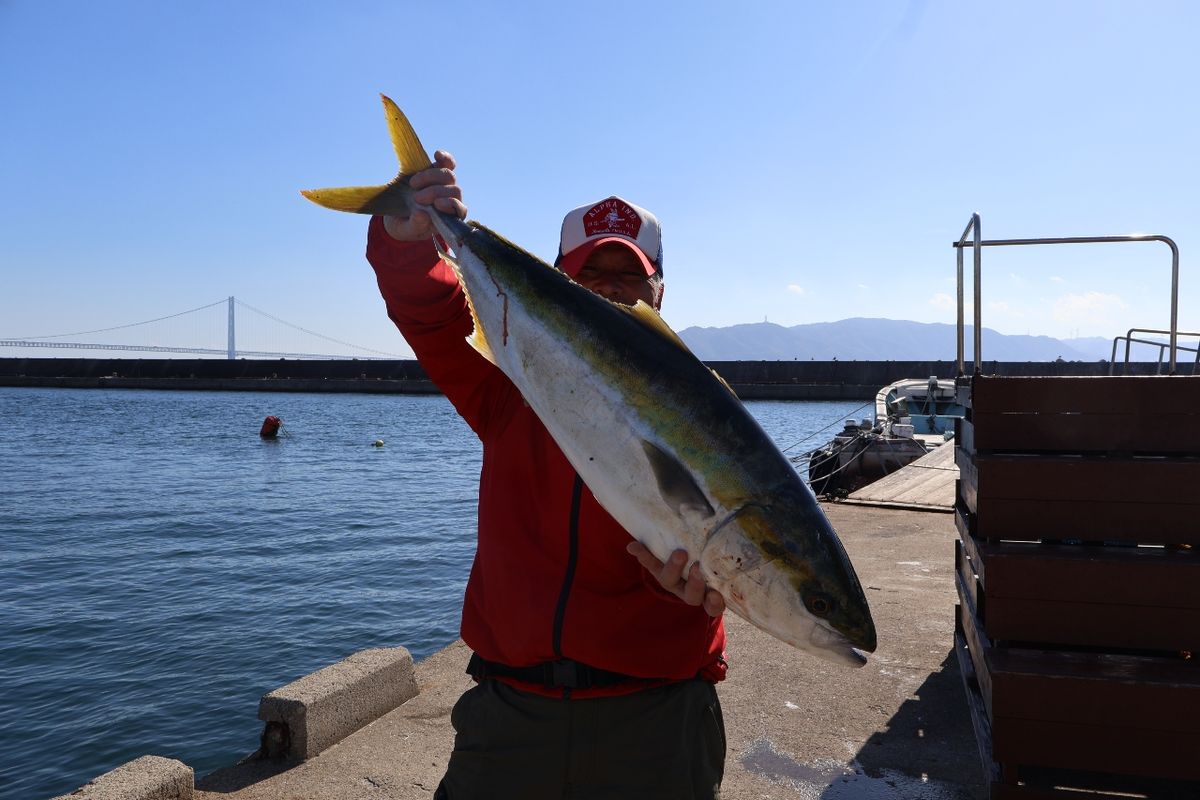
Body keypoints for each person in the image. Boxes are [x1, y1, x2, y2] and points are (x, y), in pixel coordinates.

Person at [365, 150, 728, 800]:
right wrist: (406, 240)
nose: (611, 288)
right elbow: (431, 313)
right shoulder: (509, 383)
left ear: (660, 294)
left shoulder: (705, 411)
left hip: (658, 722)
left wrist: (701, 587)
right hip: (510, 714)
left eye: (631, 275)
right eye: (591, 274)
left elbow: (739, 550)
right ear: (557, 283)